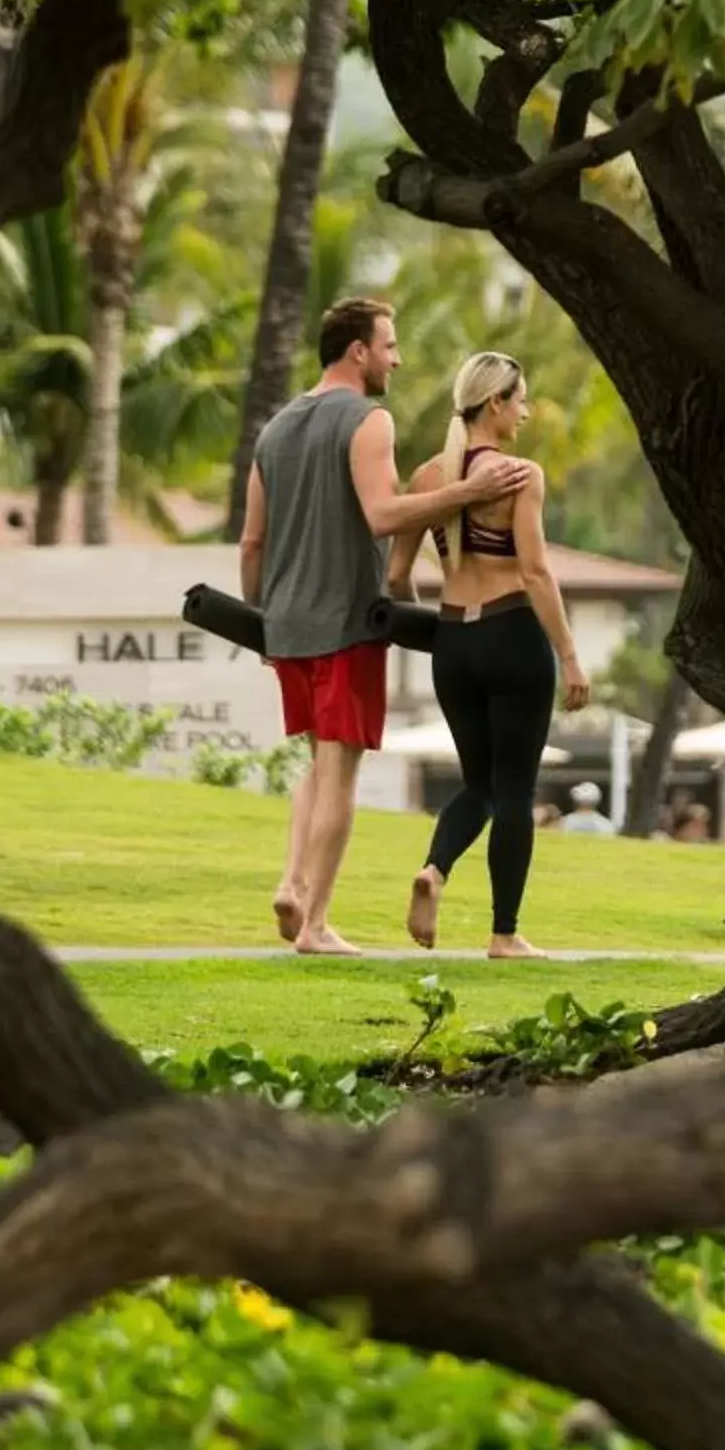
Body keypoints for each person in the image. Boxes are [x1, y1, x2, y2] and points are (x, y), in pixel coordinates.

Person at [241, 298, 533, 955]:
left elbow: (251, 542)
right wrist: (464, 495)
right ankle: (314, 924)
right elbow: (381, 515)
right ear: (358, 352)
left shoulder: (275, 429)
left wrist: (262, 620)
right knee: (339, 771)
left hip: (285, 623)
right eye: (390, 346)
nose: (398, 359)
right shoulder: (368, 420)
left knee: (317, 762)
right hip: (345, 618)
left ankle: (292, 883)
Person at [393, 350, 591, 957]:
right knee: (513, 791)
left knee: (477, 784)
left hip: (453, 642)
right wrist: (570, 655)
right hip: (512, 635)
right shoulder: (519, 475)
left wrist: (446, 627)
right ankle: (504, 932)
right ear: (496, 403)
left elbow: (398, 575)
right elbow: (535, 572)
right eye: (521, 399)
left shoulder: (428, 477)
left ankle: (436, 868)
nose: (526, 411)